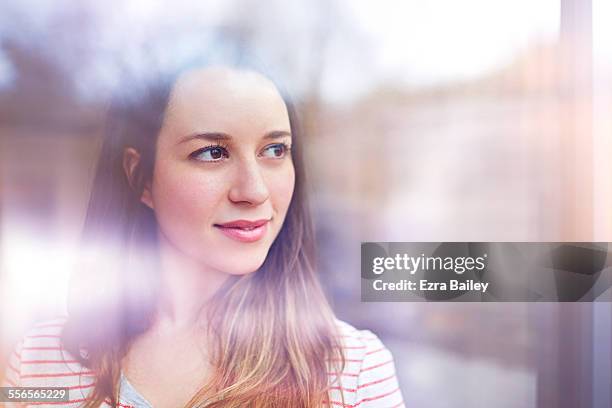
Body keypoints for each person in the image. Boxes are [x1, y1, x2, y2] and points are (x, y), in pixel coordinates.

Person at [1, 50, 404, 407]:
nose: (255, 190)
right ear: (140, 177)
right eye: (212, 152)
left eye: (275, 150)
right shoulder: (38, 362)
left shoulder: (355, 373)